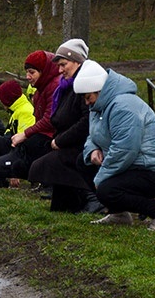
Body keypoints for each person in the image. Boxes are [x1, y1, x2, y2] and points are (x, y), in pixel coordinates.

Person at [74, 60, 155, 232]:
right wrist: (93, 150)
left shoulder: (124, 106)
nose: (87, 103)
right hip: (134, 166)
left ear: (100, 91)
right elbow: (92, 134)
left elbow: (125, 150)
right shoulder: (99, 106)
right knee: (84, 161)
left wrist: (100, 178)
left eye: (89, 97)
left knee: (106, 190)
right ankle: (119, 214)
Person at [29, 39, 102, 213]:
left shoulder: (85, 86)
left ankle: (91, 196)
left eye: (64, 64)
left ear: (78, 62)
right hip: (66, 141)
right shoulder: (64, 88)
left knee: (45, 164)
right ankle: (71, 201)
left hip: (82, 144)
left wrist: (60, 141)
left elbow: (86, 121)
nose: (60, 70)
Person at [0, 50, 60, 184]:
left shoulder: (52, 88)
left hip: (44, 143)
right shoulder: (38, 93)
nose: (28, 77)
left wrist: (25, 134)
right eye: (27, 73)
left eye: (32, 72)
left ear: (44, 71)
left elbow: (48, 120)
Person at [0, 79, 35, 186]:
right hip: (12, 144)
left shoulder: (25, 111)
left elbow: (24, 141)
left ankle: (3, 173)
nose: (1, 102)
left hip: (21, 151)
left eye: (1, 99)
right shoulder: (16, 109)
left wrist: (14, 172)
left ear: (7, 99)